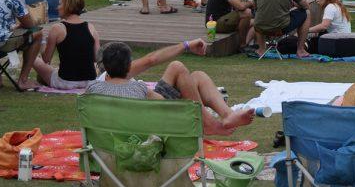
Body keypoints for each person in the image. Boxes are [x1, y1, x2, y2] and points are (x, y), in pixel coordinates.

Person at [86, 41, 254, 135]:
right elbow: (167, 104)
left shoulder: (93, 88)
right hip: (154, 121)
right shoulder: (139, 88)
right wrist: (186, 45)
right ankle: (212, 123)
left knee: (197, 77)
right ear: (129, 65)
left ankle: (228, 115)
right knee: (178, 67)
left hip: (114, 133)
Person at [32, 0, 99, 90]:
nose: (57, 7)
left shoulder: (57, 28)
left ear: (68, 6)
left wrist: (42, 42)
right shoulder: (91, 27)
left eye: (60, 4)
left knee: (32, 58)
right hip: (89, 82)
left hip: (65, 82)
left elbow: (46, 59)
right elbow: (97, 58)